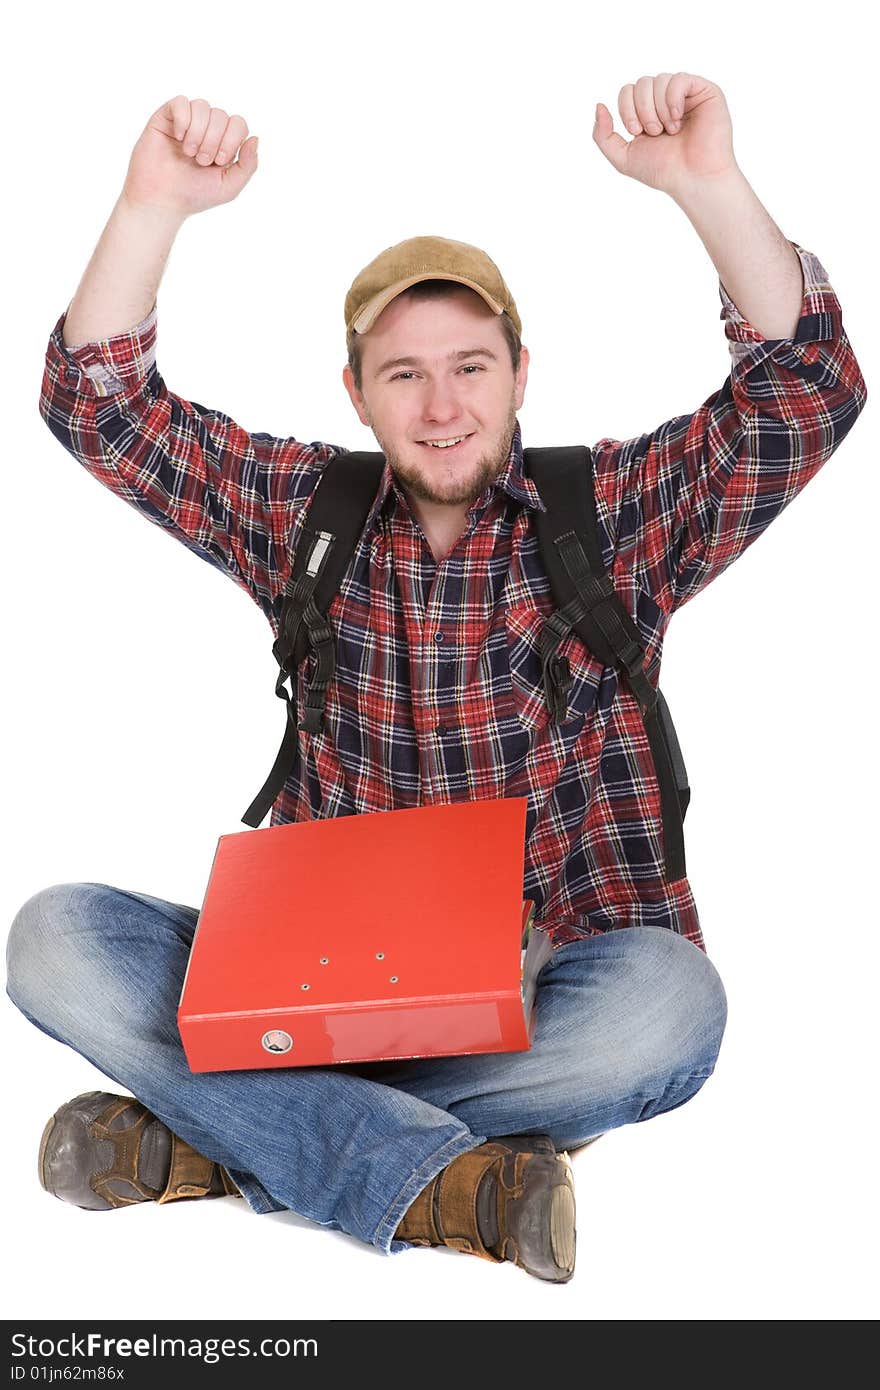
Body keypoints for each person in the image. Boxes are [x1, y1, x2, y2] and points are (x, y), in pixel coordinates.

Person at [6, 74, 867, 1285]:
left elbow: (807, 394)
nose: (443, 404)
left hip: (539, 989)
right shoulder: (307, 511)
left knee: (671, 1010)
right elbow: (97, 408)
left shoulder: (605, 514)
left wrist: (704, 186)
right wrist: (153, 205)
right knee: (52, 941)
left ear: (521, 373)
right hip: (307, 987)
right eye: (403, 374)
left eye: (471, 365)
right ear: (356, 394)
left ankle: (224, 1138)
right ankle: (441, 1181)